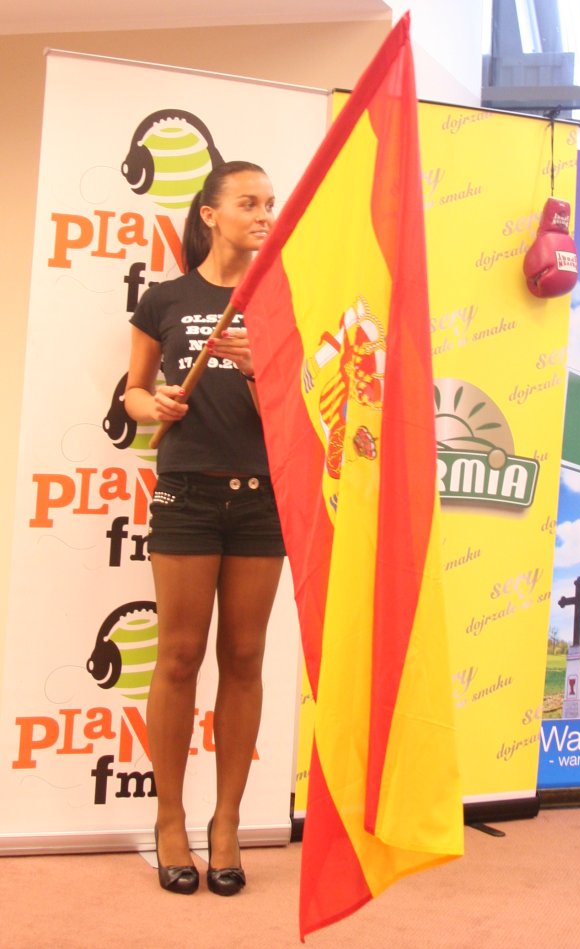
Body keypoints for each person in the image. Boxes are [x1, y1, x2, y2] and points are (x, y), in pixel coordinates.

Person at [124, 161, 285, 897]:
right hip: (186, 495)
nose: (264, 214)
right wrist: (151, 405)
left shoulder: (281, 300)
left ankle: (227, 823)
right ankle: (169, 820)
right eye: (249, 203)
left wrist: (259, 370)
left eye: (270, 204)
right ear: (210, 214)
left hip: (261, 498)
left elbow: (310, 403)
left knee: (245, 656)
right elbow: (131, 394)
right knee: (180, 656)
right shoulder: (166, 299)